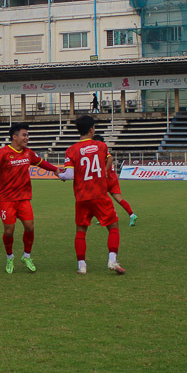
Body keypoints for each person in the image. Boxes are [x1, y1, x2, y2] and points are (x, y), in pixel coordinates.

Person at [0, 122, 60, 274]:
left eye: (27, 135)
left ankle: (26, 256)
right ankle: (10, 257)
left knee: (30, 227)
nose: (27, 138)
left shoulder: (28, 153)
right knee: (9, 231)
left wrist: (55, 170)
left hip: (23, 199)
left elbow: (41, 163)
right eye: (24, 135)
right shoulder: (3, 153)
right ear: (14, 137)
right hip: (6, 200)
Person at [58, 116, 125, 275]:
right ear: (91, 130)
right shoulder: (101, 146)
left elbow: (68, 175)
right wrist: (105, 171)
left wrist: (58, 175)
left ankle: (82, 266)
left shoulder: (71, 150)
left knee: (81, 231)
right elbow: (109, 159)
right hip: (100, 195)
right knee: (113, 227)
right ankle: (112, 260)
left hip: (82, 197)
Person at [93, 135, 137, 226]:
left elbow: (111, 158)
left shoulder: (101, 150)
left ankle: (104, 217)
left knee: (98, 198)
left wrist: (105, 170)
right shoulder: (100, 150)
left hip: (106, 179)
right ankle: (132, 215)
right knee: (118, 199)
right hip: (113, 179)